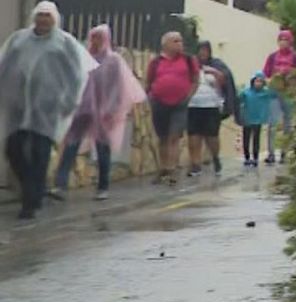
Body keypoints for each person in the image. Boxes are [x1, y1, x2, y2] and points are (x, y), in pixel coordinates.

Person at [0, 2, 95, 219]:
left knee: (40, 153)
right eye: (40, 15)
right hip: (19, 105)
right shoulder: (19, 40)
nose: (43, 20)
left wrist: (69, 101)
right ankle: (32, 190)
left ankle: (30, 203)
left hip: (48, 107)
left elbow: (75, 76)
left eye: (48, 16)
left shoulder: (64, 44)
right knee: (13, 149)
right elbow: (4, 65)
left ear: (55, 19)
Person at [51, 25, 145, 201]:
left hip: (103, 111)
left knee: (102, 148)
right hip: (83, 109)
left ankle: (103, 187)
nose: (95, 41)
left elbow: (118, 87)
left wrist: (110, 108)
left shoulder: (113, 61)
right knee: (71, 144)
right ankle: (60, 184)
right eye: (93, 37)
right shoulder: (84, 58)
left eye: (99, 37)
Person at [145, 32, 199, 185]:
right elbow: (149, 82)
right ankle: (163, 168)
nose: (180, 44)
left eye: (180, 41)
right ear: (166, 44)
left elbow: (195, 80)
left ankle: (172, 169)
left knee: (174, 136)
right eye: (175, 41)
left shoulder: (188, 60)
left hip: (180, 104)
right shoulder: (156, 62)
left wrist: (189, 96)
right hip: (159, 102)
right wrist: (150, 97)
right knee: (162, 137)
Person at [186, 40, 236, 177]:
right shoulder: (191, 64)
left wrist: (214, 72)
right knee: (193, 135)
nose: (202, 53)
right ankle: (195, 164)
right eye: (200, 50)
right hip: (193, 105)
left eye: (205, 50)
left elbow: (225, 81)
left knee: (211, 136)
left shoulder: (217, 65)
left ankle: (215, 157)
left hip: (211, 105)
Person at [262, 30, 296, 165]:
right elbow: (265, 73)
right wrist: (269, 80)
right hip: (274, 91)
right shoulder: (273, 57)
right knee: (272, 122)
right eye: (281, 40)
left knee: (288, 123)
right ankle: (271, 153)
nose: (283, 42)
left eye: (285, 40)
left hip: (289, 92)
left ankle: (285, 152)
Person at [237, 72, 283, 167]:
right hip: (247, 119)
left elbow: (277, 94)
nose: (258, 83)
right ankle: (247, 157)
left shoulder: (266, 93)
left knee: (256, 139)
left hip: (258, 120)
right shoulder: (246, 92)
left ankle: (255, 158)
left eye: (260, 81)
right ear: (252, 82)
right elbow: (237, 100)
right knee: (246, 139)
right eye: (256, 81)